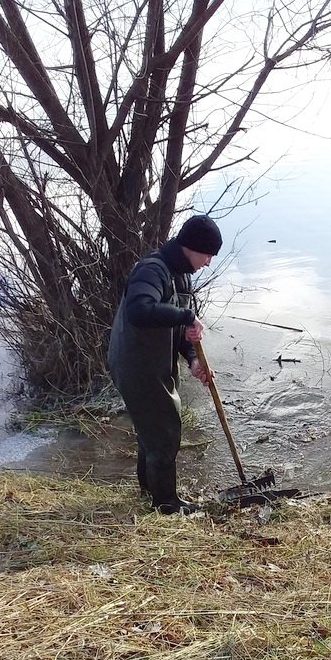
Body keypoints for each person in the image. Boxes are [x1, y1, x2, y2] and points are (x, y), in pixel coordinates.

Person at [108, 214, 222, 514]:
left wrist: (193, 359)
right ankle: (166, 504)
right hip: (136, 364)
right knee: (164, 431)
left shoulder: (181, 275)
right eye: (207, 255)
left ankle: (149, 492)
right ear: (191, 247)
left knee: (152, 430)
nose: (209, 262)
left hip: (154, 362)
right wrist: (187, 316)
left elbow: (180, 328)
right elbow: (139, 310)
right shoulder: (152, 269)